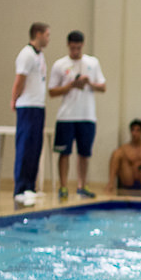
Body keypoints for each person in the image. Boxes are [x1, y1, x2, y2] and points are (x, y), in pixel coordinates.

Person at [48, 30, 106, 200]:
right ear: (68, 45)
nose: (75, 51)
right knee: (64, 152)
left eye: (78, 48)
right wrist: (71, 85)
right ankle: (64, 186)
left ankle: (82, 185)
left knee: (84, 153)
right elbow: (52, 92)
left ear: (82, 45)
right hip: (66, 116)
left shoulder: (92, 63)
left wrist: (90, 83)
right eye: (73, 48)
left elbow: (103, 87)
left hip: (87, 115)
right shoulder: (60, 65)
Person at [10, 22, 50, 205]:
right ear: (38, 34)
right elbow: (19, 80)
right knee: (25, 146)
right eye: (47, 35)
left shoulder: (40, 55)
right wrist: (14, 100)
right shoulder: (26, 54)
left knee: (35, 147)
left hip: (38, 106)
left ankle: (30, 187)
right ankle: (19, 188)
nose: (49, 38)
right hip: (26, 106)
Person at [107, 119, 141, 198]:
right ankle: (110, 185)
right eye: (133, 130)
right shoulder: (125, 148)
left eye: (138, 130)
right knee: (116, 153)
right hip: (128, 181)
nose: (135, 133)